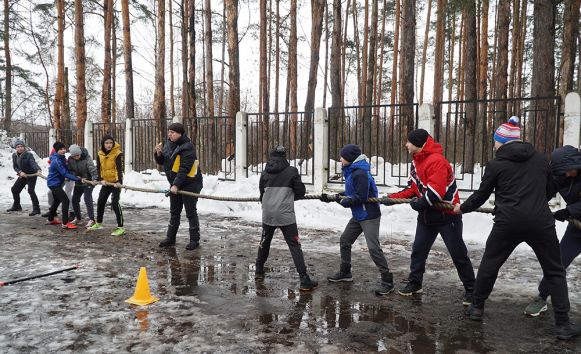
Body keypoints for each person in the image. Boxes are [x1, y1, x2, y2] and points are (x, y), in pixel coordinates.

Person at [456, 117, 581, 340]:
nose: (494, 145)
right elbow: (548, 190)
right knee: (555, 271)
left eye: (495, 141)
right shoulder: (542, 160)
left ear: (502, 142)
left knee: (490, 264)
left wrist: (462, 209)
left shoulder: (495, 165)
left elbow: (482, 195)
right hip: (541, 223)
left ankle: (476, 308)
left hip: (507, 224)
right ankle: (563, 324)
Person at [386, 129, 475, 303]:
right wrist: (392, 198)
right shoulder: (416, 161)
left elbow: (435, 193)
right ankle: (415, 282)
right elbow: (413, 188)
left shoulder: (437, 161)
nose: (406, 145)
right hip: (427, 216)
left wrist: (418, 204)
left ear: (418, 144)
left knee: (458, 254)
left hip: (447, 215)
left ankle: (472, 289)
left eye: (409, 142)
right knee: (418, 251)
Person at [322, 144, 394, 295]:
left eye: (342, 156)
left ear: (350, 158)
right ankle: (345, 272)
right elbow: (350, 192)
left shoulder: (359, 173)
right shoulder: (352, 171)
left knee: (374, 248)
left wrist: (343, 201)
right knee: (345, 240)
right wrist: (332, 197)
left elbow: (360, 197)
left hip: (369, 215)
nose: (340, 159)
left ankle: (387, 280)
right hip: (359, 214)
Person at [524, 145, 581, 317]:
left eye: (571, 170)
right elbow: (545, 193)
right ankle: (542, 298)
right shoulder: (561, 176)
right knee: (559, 262)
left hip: (576, 216)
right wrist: (528, 203)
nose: (568, 174)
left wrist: (569, 211)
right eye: (564, 171)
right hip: (577, 229)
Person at [255, 146, 318, 291]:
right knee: (294, 245)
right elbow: (300, 192)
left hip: (268, 213)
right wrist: (288, 197)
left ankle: (258, 270)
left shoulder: (265, 172)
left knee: (264, 241)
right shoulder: (291, 171)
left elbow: (261, 193)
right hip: (285, 214)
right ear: (285, 157)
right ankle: (304, 279)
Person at [155, 123, 203, 250]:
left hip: (190, 184)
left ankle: (194, 240)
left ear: (180, 134)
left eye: (173, 132)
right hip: (175, 184)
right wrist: (158, 154)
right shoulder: (168, 144)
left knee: (190, 212)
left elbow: (184, 169)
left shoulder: (188, 147)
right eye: (169, 131)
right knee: (174, 212)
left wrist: (176, 185)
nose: (170, 134)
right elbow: (164, 162)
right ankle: (170, 238)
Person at [87, 135, 125, 236]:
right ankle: (99, 223)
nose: (109, 145)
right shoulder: (100, 154)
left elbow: (119, 169)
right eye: (106, 143)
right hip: (106, 182)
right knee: (101, 201)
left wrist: (119, 181)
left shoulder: (117, 153)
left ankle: (120, 227)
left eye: (110, 143)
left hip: (116, 182)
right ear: (103, 144)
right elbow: (98, 168)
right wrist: (101, 179)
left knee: (115, 202)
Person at [46, 141, 81, 229]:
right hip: (54, 184)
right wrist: (77, 178)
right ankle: (65, 223)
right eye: (61, 149)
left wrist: (73, 175)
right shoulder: (57, 160)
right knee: (65, 200)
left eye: (64, 149)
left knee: (57, 201)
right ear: (56, 150)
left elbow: (66, 170)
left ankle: (50, 219)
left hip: (56, 182)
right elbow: (64, 173)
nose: (63, 151)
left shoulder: (61, 158)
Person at [7, 139, 42, 216]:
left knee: (30, 190)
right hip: (23, 175)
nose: (20, 148)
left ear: (24, 147)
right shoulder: (14, 155)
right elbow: (15, 167)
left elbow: (33, 163)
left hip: (31, 175)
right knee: (14, 189)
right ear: (15, 148)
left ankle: (36, 209)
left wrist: (38, 169)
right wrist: (20, 172)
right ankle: (17, 206)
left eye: (22, 146)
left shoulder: (28, 155)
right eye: (18, 147)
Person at [67, 144, 98, 228]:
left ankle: (92, 219)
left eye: (78, 155)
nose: (77, 157)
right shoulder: (70, 159)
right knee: (75, 199)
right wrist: (74, 176)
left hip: (89, 181)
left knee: (87, 198)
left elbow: (93, 169)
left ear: (80, 153)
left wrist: (94, 179)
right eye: (74, 156)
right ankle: (78, 218)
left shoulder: (86, 158)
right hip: (79, 181)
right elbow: (70, 170)